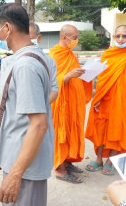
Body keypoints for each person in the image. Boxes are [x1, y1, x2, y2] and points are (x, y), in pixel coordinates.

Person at [0, 3, 54, 206]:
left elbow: (39, 124)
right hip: (22, 157)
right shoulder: (32, 57)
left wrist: (15, 174)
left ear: (8, 28)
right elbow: (23, 103)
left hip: (25, 164)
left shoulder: (25, 65)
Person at [85, 25, 126, 175]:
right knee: (101, 129)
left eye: (124, 36)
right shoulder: (107, 54)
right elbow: (102, 78)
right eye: (118, 36)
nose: (120, 39)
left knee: (118, 129)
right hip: (106, 98)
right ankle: (98, 159)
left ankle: (110, 160)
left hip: (124, 99)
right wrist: (97, 97)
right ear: (113, 37)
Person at [49, 24, 93, 184]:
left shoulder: (69, 54)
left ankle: (67, 162)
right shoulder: (54, 55)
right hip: (61, 105)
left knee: (72, 132)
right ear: (64, 37)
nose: (76, 40)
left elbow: (73, 74)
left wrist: (84, 72)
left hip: (73, 103)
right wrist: (67, 76)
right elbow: (51, 82)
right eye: (74, 37)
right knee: (62, 134)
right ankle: (60, 169)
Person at [29, 22, 58, 103]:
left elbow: (54, 89)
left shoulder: (49, 61)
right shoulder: (10, 61)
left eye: (30, 38)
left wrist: (40, 107)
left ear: (39, 38)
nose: (27, 42)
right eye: (23, 38)